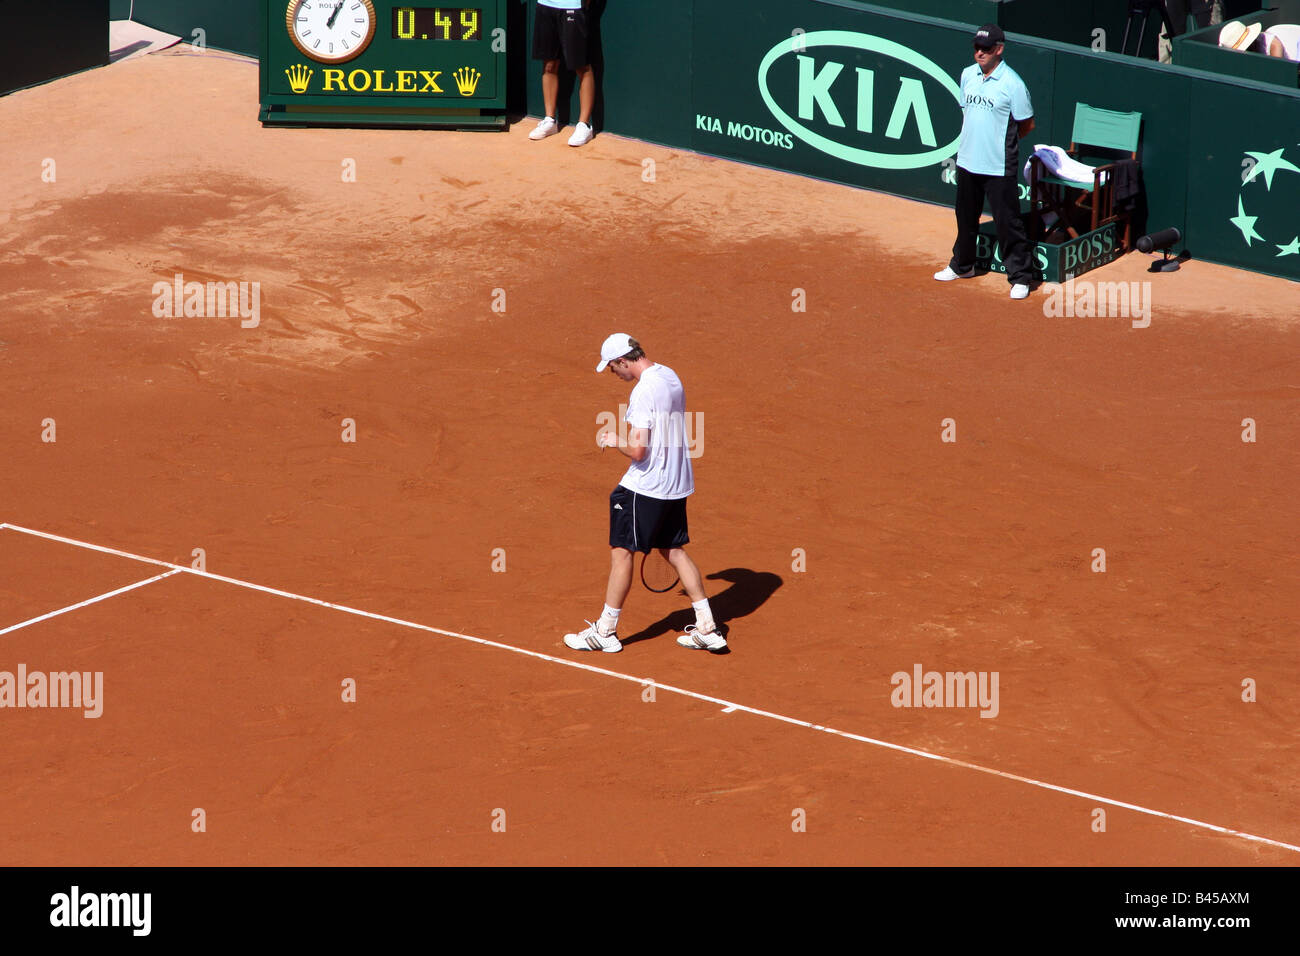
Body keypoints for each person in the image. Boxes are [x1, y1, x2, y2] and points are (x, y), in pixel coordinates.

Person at [563, 334, 726, 654]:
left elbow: (638, 450)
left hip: (646, 487)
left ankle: (605, 632)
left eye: (613, 368)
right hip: (676, 483)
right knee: (674, 551)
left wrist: (613, 439)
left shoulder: (642, 392)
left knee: (622, 554)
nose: (615, 374)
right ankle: (707, 627)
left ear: (624, 360)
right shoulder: (669, 375)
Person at [934, 24, 1037, 300]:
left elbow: (1026, 124)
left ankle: (1020, 277)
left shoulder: (1013, 84)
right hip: (967, 160)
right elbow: (968, 113)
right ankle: (963, 266)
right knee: (965, 218)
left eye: (986, 48)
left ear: (999, 50)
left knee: (1008, 222)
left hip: (998, 165)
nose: (980, 52)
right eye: (977, 48)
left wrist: (1001, 141)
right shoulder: (967, 75)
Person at [528, 1, 596, 147]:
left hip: (574, 7)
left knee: (582, 67)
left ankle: (584, 125)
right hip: (545, 6)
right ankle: (550, 120)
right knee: (549, 65)